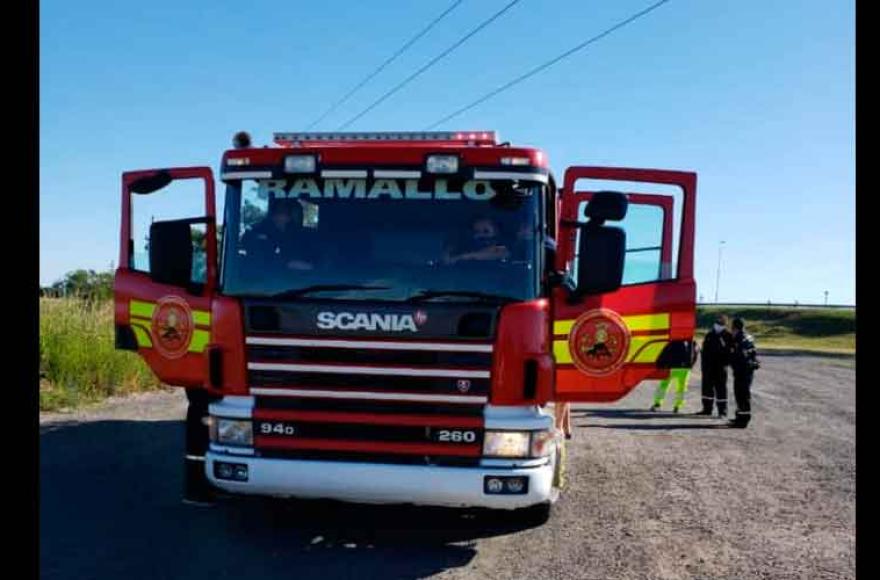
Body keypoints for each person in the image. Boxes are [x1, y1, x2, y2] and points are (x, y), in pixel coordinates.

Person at [241, 198, 315, 271]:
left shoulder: (298, 236)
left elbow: (307, 261)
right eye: (282, 212)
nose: (291, 218)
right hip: (263, 277)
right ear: (274, 215)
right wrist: (287, 263)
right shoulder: (260, 230)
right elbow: (258, 255)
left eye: (298, 215)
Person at [696, 314, 734, 417]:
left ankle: (722, 411)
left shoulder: (728, 335)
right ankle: (707, 409)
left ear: (725, 324)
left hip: (720, 367)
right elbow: (704, 351)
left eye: (720, 322)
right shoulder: (709, 334)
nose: (718, 324)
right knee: (707, 388)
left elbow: (731, 352)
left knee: (721, 388)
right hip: (708, 367)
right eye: (717, 322)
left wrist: (726, 363)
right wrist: (704, 366)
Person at [650, 341, 699, 413]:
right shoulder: (691, 342)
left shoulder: (673, 340)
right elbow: (695, 353)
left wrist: (659, 364)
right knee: (681, 387)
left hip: (672, 367)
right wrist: (690, 365)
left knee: (664, 385)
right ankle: (677, 406)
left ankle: (657, 403)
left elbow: (664, 353)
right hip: (683, 368)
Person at [729, 317, 760, 428]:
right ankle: (740, 417)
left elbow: (738, 355)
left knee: (742, 395)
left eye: (732, 327)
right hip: (747, 370)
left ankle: (743, 421)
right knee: (741, 394)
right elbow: (753, 353)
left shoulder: (739, 339)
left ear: (735, 328)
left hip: (742, 370)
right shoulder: (749, 337)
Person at [443, 216, 510, 264]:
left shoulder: (501, 241)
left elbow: (503, 253)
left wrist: (466, 256)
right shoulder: (465, 240)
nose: (481, 233)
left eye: (485, 230)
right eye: (477, 231)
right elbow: (448, 256)